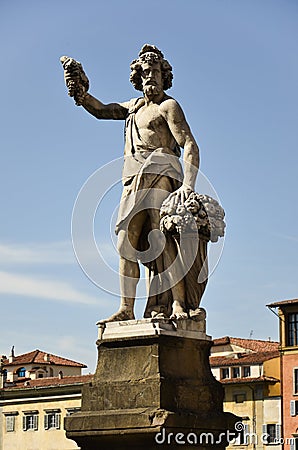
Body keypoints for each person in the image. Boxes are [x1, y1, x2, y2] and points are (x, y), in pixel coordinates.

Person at [61, 44, 201, 322]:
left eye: (155, 72)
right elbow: (102, 110)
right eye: (145, 72)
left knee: (162, 239)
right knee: (125, 244)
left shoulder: (168, 106)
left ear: (164, 75)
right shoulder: (134, 107)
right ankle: (126, 308)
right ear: (138, 77)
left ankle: (177, 302)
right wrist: (81, 93)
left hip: (160, 174)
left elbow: (189, 144)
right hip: (132, 180)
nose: (150, 76)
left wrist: (188, 185)